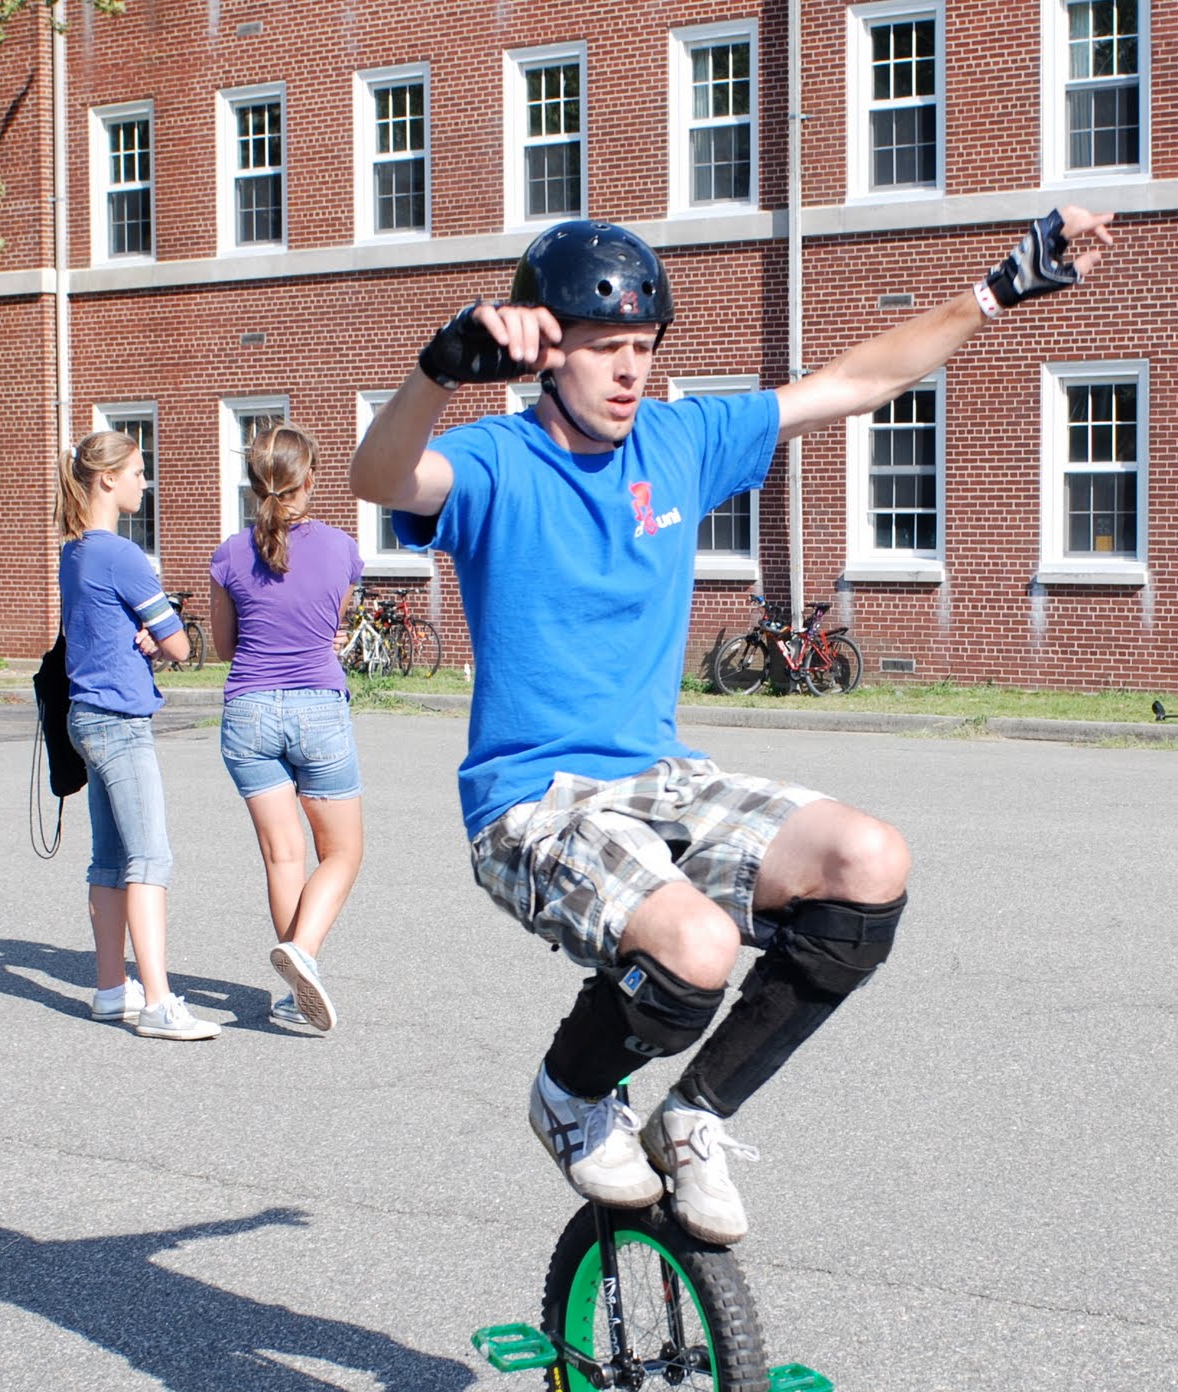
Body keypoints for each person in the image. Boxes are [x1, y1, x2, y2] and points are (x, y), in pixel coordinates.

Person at [350, 207, 1114, 1244]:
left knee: (867, 858)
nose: (628, 372)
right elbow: (381, 476)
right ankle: (570, 1094)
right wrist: (439, 367)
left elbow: (856, 381)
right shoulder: (493, 461)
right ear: (544, 351)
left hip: (658, 778)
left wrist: (999, 286)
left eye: (641, 349)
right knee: (698, 946)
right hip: (533, 804)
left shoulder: (679, 439)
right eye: (603, 349)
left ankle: (696, 1112)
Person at [55, 430, 221, 1042]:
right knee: (149, 859)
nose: (144, 483)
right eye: (137, 473)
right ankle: (156, 1001)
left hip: (85, 715)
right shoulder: (122, 555)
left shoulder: (73, 552)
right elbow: (179, 643)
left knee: (108, 858)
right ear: (107, 479)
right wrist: (161, 637)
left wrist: (145, 632)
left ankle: (108, 989)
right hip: (121, 722)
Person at [209, 422, 365, 1032]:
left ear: (256, 484)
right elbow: (332, 625)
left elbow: (223, 647)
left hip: (247, 710)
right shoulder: (342, 549)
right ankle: (303, 954)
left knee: (283, 856)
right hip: (317, 707)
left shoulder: (229, 552)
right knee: (343, 851)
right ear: (309, 480)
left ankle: (289, 986)